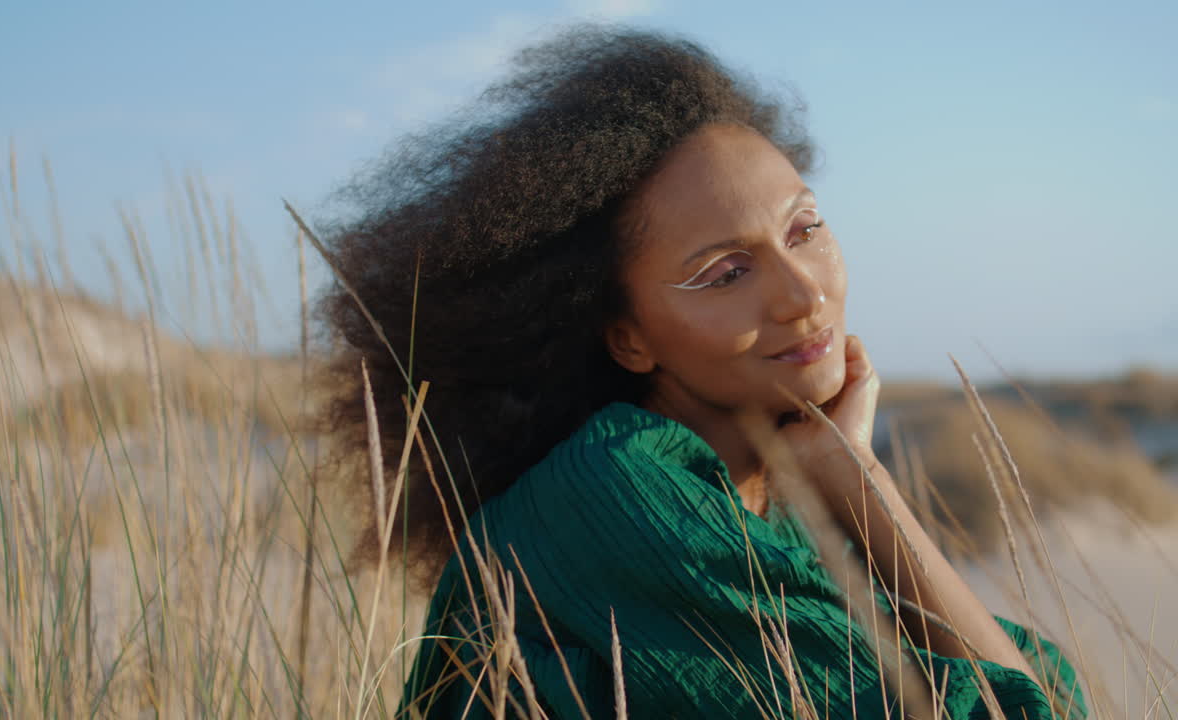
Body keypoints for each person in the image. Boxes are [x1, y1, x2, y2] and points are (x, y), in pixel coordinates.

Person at [314, 25, 1085, 719]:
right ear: (628, 340)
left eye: (805, 229)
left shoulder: (769, 502)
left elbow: (1038, 688)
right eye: (725, 274)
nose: (803, 292)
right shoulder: (616, 495)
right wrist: (864, 487)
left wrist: (848, 475)